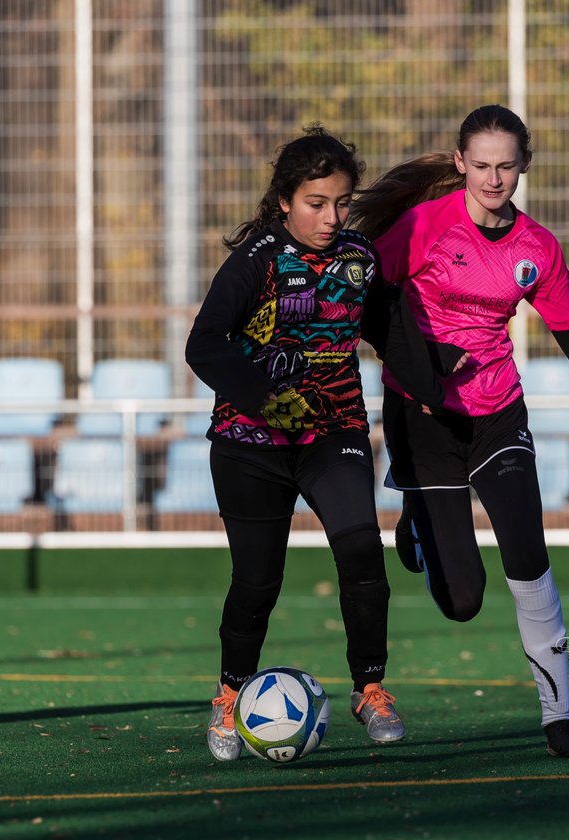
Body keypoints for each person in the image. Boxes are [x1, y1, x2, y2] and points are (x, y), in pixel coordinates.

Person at [350, 104, 569, 759]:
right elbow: (367, 312)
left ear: (524, 166)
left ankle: (559, 716)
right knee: (463, 601)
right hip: (424, 420)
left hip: (499, 414)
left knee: (527, 558)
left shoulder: (538, 248)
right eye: (480, 165)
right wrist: (424, 367)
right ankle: (419, 518)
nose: (493, 178)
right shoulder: (421, 228)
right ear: (460, 164)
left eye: (506, 165)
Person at [186, 125, 446, 762]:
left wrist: (443, 376)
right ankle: (229, 693)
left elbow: (390, 335)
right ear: (284, 200)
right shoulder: (255, 261)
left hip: (334, 432)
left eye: (339, 204)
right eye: (315, 204)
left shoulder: (359, 260)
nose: (330, 218)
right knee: (257, 581)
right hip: (250, 443)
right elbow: (204, 345)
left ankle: (370, 688)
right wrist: (265, 395)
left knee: (362, 552)